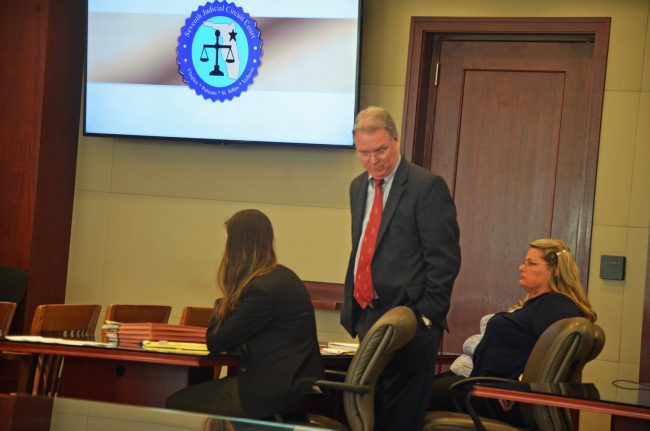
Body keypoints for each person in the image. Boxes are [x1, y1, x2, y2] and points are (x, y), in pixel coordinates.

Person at [340, 106, 462, 431]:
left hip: (411, 322)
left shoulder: (426, 186)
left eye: (380, 150)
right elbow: (365, 248)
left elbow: (445, 258)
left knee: (399, 420)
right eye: (364, 153)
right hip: (368, 317)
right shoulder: (357, 187)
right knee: (368, 414)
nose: (373, 160)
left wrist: (426, 316)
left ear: (396, 141)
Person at [166, 209, 324, 419]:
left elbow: (216, 342)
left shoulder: (260, 290)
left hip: (269, 393)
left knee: (176, 404)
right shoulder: (285, 277)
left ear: (238, 246)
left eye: (228, 242)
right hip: (294, 386)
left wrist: (226, 297)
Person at [429, 238, 597, 425]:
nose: (522, 267)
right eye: (524, 261)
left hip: (494, 397)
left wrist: (517, 387)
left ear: (555, 270)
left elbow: (550, 358)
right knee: (409, 387)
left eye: (531, 263)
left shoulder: (556, 305)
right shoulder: (538, 304)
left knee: (409, 395)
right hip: (482, 388)